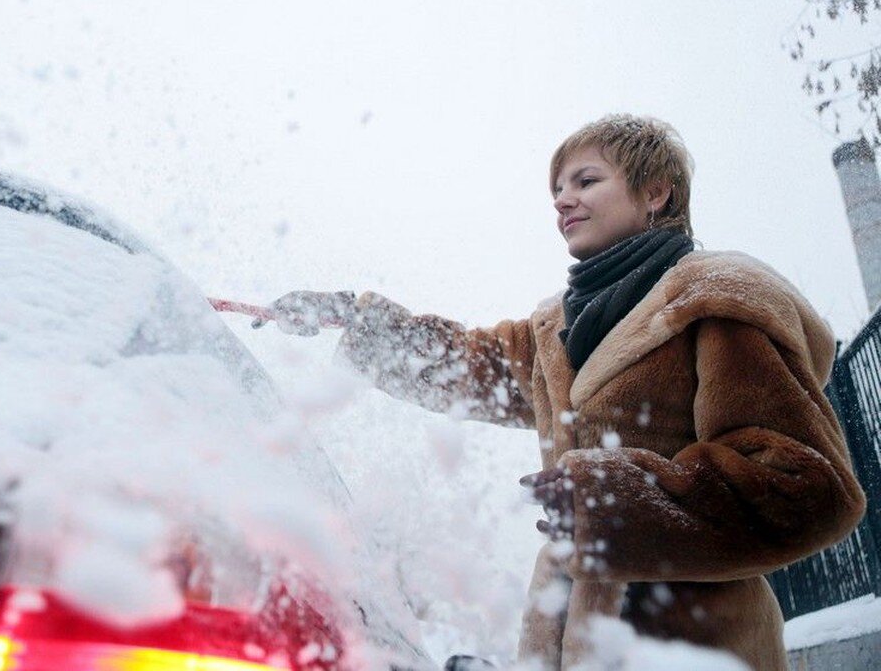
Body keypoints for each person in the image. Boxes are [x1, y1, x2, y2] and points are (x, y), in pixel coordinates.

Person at [264, 115, 866, 671]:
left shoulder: (717, 304)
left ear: (656, 192)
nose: (562, 199)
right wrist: (353, 317)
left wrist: (622, 500)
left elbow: (806, 486)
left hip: (696, 647)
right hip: (564, 645)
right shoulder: (555, 332)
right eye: (557, 188)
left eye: (585, 180)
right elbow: (464, 363)